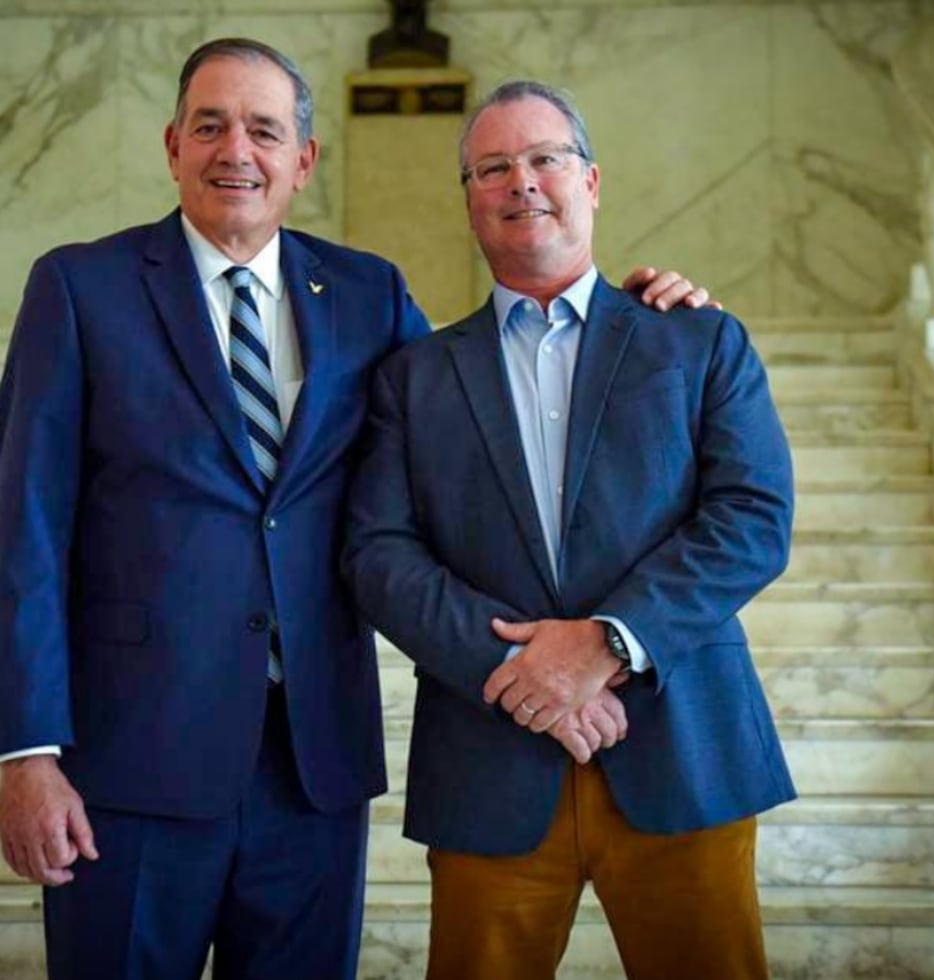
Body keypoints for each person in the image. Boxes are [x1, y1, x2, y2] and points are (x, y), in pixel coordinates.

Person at [0, 40, 707, 980]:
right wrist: (25, 751)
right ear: (172, 147)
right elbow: (25, 529)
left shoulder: (367, 293)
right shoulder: (79, 288)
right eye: (209, 126)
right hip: (129, 764)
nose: (234, 151)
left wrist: (626, 317)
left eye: (263, 129)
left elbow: (479, 416)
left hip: (313, 767)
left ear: (305, 158)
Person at [343, 79, 796, 980]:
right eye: (493, 167)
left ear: (592, 181)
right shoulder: (414, 377)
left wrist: (608, 644)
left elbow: (752, 518)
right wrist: (516, 669)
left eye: (546, 158)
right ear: (469, 199)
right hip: (489, 764)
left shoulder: (697, 340)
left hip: (682, 750)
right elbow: (378, 553)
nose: (523, 182)